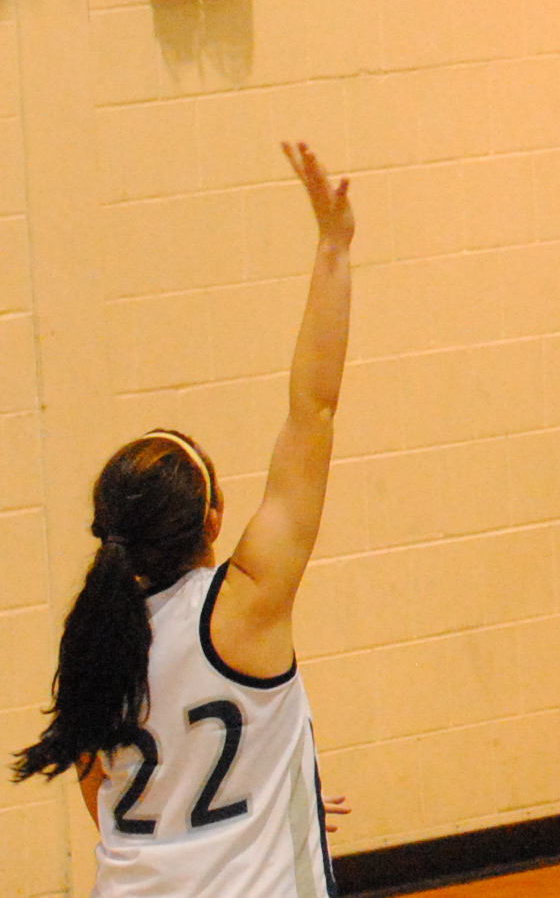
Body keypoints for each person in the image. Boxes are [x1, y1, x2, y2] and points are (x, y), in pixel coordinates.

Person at [13, 142, 356, 898]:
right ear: (214, 517)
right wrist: (333, 249)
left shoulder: (95, 637)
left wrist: (269, 790)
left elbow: (103, 796)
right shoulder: (245, 605)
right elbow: (314, 408)